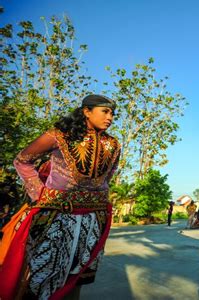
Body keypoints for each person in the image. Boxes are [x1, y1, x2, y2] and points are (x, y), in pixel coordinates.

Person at [0, 94, 120, 299]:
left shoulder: (114, 144)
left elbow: (107, 177)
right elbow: (22, 161)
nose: (110, 117)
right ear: (86, 111)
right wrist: (39, 193)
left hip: (93, 220)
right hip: (57, 217)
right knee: (44, 276)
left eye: (112, 113)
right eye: (105, 111)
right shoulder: (59, 135)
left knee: (78, 275)